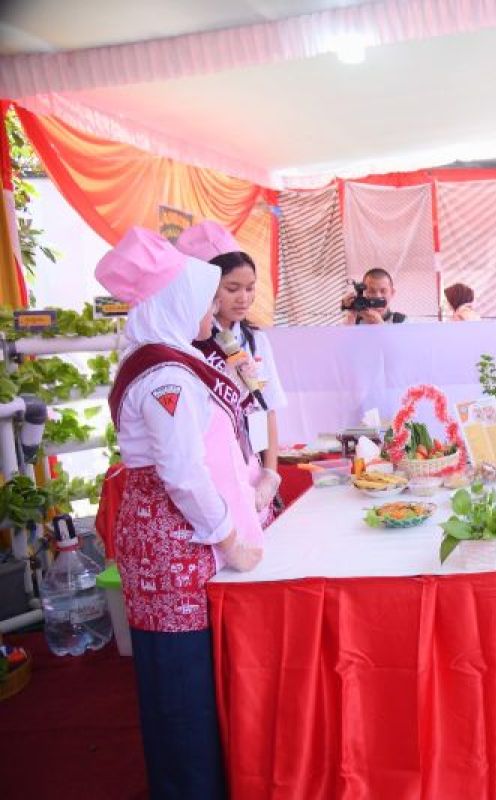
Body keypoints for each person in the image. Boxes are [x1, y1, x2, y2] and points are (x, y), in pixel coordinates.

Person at [98, 227, 264, 798]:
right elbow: (184, 474)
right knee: (181, 676)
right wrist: (229, 537)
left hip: (159, 537)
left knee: (170, 668)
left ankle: (184, 780)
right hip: (172, 540)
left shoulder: (150, 361)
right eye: (206, 298)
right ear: (177, 303)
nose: (213, 309)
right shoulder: (167, 375)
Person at [177, 221, 286, 526]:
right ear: (206, 290)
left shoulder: (254, 340)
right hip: (209, 472)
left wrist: (271, 473)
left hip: (250, 465)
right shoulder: (187, 344)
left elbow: (268, 407)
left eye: (250, 288)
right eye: (232, 289)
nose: (244, 298)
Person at [341, 268, 407, 324]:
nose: (378, 296)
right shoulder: (352, 321)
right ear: (363, 293)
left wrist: (380, 325)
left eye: (383, 291)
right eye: (371, 291)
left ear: (392, 292)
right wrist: (350, 320)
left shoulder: (402, 322)